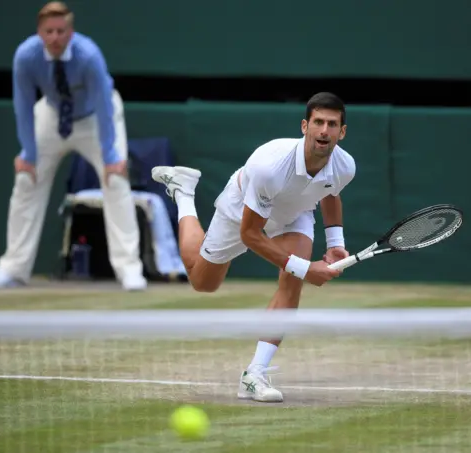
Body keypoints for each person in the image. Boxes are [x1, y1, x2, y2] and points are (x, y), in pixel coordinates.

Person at [152, 92, 356, 402]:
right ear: (305, 126)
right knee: (203, 282)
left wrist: (336, 244)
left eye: (331, 124)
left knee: (292, 283)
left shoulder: (345, 165)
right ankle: (184, 193)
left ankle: (254, 374)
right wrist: (306, 268)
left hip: (294, 215)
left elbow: (330, 192)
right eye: (318, 123)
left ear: (342, 132)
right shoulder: (270, 166)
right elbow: (250, 234)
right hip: (241, 214)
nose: (324, 131)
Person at [0, 1, 147, 291]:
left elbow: (104, 104)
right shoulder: (25, 56)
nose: (54, 37)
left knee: (116, 180)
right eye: (49, 31)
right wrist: (28, 153)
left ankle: (129, 269)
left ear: (70, 32)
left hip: (96, 117)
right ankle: (13, 268)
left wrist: (110, 157)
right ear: (39, 32)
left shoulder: (89, 55)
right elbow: (22, 104)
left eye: (60, 31)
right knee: (25, 179)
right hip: (52, 115)